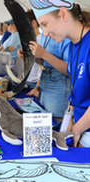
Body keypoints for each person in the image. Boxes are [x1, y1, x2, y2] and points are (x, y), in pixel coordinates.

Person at [28, 0, 90, 147]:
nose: (45, 33)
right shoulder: (74, 45)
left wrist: (77, 128)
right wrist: (71, 119)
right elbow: (78, 87)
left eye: (45, 24)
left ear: (63, 13)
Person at [17, 10, 42, 90]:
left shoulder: (41, 40)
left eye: (25, 24)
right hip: (27, 80)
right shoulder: (29, 40)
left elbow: (44, 65)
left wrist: (38, 86)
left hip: (36, 83)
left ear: (33, 23)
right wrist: (23, 56)